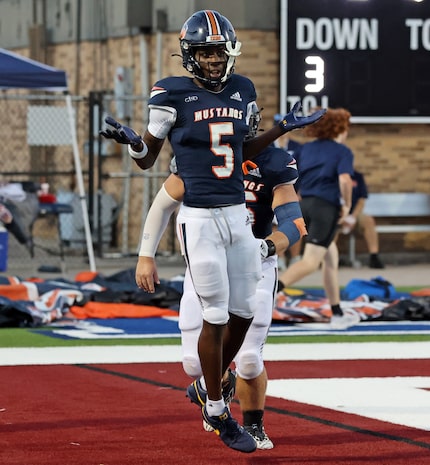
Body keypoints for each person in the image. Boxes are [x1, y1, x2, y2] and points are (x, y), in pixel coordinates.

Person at [100, 9, 325, 453]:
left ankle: (210, 386)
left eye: (219, 52)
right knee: (216, 315)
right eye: (205, 52)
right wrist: (133, 143)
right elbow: (149, 159)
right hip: (200, 217)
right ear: (190, 54)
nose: (214, 60)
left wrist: (281, 129)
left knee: (243, 310)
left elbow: (244, 148)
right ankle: (219, 409)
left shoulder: (243, 89)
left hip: (237, 215)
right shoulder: (170, 92)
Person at [135, 110, 306, 450]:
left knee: (249, 358)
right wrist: (146, 254)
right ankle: (217, 388)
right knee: (192, 362)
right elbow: (164, 203)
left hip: (254, 263)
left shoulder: (274, 163)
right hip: (206, 262)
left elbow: (294, 224)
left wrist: (266, 246)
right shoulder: (201, 158)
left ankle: (253, 423)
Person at [278, 107, 361, 330]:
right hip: (326, 207)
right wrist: (346, 206)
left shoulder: (307, 149)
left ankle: (337, 312)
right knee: (311, 262)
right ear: (340, 129)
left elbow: (295, 177)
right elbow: (344, 180)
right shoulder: (342, 151)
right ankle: (270, 291)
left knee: (330, 258)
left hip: (303, 204)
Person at [273, 114, 303, 268]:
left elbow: (304, 170)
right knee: (274, 223)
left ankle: (296, 256)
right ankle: (280, 256)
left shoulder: (297, 147)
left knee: (296, 222)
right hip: (274, 189)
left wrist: (301, 191)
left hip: (293, 189)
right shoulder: (269, 146)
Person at [338, 170, 384, 269]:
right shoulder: (330, 175)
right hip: (336, 213)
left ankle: (374, 256)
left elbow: (361, 200)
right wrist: (343, 216)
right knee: (329, 223)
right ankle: (331, 258)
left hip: (354, 213)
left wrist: (352, 218)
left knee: (368, 220)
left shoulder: (357, 176)